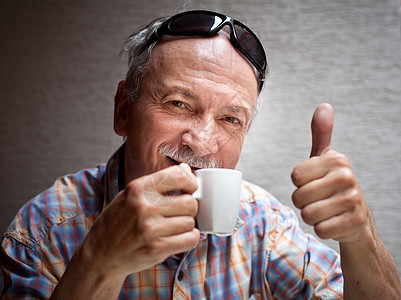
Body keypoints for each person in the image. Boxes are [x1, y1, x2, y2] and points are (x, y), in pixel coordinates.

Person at [1, 9, 400, 299]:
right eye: (178, 104)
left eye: (230, 118)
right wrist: (98, 261)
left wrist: (359, 235)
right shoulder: (41, 231)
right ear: (124, 110)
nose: (202, 142)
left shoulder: (263, 223)